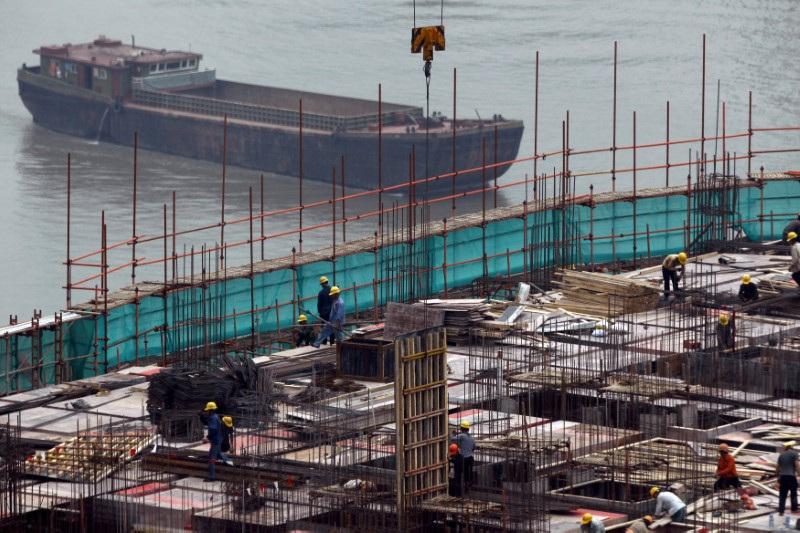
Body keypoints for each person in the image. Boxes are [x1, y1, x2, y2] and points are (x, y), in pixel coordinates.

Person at [201, 401, 231, 481]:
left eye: (207, 410)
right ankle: (230, 462)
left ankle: (211, 477)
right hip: (218, 439)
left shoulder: (213, 418)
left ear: (211, 410)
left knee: (211, 458)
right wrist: (201, 417)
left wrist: (208, 437)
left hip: (215, 440)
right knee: (218, 454)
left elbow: (213, 429)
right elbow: (208, 423)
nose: (206, 412)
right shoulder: (215, 416)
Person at [776, 441, 800, 515]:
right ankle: (794, 509)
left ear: (785, 448)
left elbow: (777, 467)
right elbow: (797, 465)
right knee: (793, 494)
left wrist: (777, 475)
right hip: (791, 476)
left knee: (782, 495)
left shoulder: (781, 455)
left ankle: (781, 511)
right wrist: (799, 474)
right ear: (791, 448)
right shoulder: (794, 454)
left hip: (783, 477)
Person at [451, 420, 475, 492]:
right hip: (471, 458)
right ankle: (469, 485)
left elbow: (452, 439)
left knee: (462, 473)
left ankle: (462, 487)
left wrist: (452, 434)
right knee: (469, 472)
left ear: (462, 428)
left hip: (464, 458)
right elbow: (474, 447)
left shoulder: (462, 436)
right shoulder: (471, 437)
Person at [317, 276, 334, 344]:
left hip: (324, 314)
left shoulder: (321, 293)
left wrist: (320, 312)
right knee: (332, 327)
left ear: (323, 283)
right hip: (332, 313)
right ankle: (332, 342)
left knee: (324, 327)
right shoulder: (333, 290)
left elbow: (319, 304)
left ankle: (324, 341)